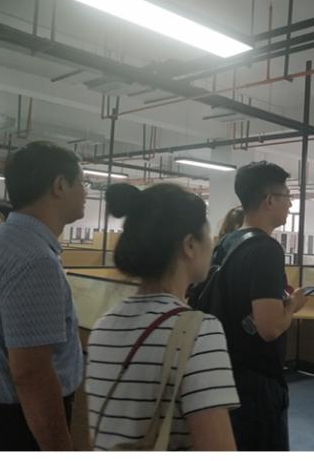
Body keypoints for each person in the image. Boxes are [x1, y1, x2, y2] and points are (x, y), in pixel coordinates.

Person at [84, 183, 238, 451]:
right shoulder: (199, 332)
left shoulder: (102, 327)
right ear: (190, 245)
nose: (212, 243)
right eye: (208, 234)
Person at [0, 141, 87, 451]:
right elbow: (32, 374)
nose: (86, 192)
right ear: (60, 186)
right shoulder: (34, 259)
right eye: (82, 182)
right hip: (14, 425)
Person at [189, 161, 307, 451]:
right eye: (287, 196)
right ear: (269, 200)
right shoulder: (266, 249)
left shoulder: (227, 242)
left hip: (222, 368)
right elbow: (269, 328)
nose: (291, 204)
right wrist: (293, 305)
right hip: (256, 382)